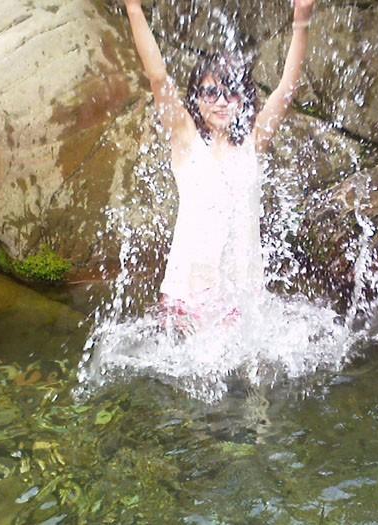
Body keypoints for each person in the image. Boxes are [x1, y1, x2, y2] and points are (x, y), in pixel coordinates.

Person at [123, 0, 315, 333]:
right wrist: (133, 9)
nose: (222, 102)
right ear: (196, 98)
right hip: (185, 299)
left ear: (244, 99)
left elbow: (287, 88)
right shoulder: (185, 139)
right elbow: (157, 77)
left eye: (232, 92)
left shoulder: (253, 140)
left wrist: (301, 21)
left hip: (241, 302)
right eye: (211, 93)